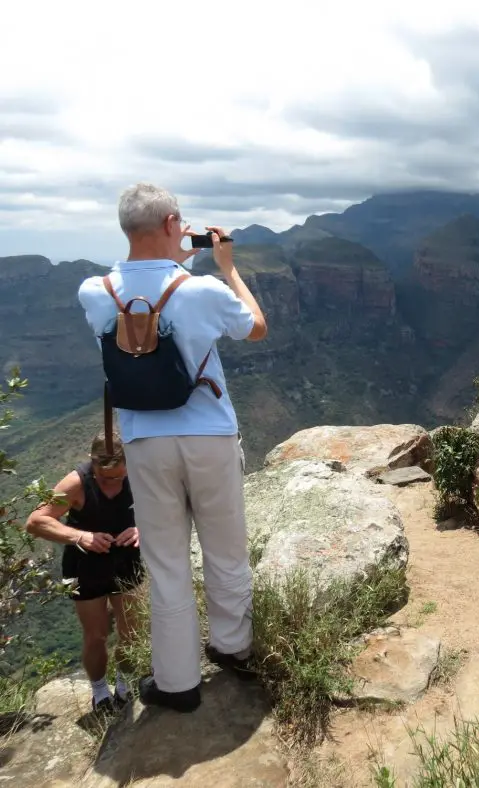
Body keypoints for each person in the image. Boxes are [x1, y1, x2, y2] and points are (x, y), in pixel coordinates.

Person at [78, 183, 268, 713]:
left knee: (165, 564)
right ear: (171, 224)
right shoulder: (201, 289)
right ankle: (233, 648)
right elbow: (256, 328)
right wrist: (226, 267)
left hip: (145, 442)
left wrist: (169, 256)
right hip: (208, 436)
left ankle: (178, 683)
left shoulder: (95, 291)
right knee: (225, 550)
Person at [25, 433, 143, 713]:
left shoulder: (140, 473)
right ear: (93, 465)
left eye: (118, 476)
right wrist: (81, 537)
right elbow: (36, 521)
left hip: (126, 559)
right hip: (85, 565)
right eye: (104, 477)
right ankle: (100, 691)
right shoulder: (76, 483)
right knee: (96, 634)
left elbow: (166, 507)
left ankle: (124, 685)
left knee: (131, 631)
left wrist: (143, 529)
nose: (112, 482)